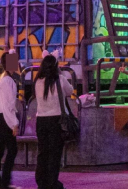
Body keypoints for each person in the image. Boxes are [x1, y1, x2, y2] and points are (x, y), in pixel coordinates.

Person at [35, 54, 75, 189]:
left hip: (40, 120)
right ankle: (52, 182)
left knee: (42, 152)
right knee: (54, 153)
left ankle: (41, 181)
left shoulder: (37, 81)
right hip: (56, 121)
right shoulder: (61, 80)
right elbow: (70, 91)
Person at [0, 52, 20, 189]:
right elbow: (9, 105)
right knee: (12, 150)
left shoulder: (3, 78)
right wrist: (14, 123)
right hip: (4, 118)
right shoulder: (9, 81)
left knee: (0, 150)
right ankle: (4, 182)